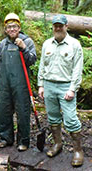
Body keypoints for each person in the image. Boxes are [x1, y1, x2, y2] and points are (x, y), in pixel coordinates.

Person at [38, 14, 84, 166]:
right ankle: (58, 144)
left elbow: (77, 69)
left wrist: (73, 89)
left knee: (71, 120)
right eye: (55, 26)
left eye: (60, 25)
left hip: (66, 86)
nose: (58, 28)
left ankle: (78, 150)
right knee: (53, 118)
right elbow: (42, 66)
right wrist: (41, 85)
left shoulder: (74, 44)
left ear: (66, 27)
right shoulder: (47, 44)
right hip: (49, 85)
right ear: (53, 27)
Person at [0, 13, 37, 151]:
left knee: (23, 112)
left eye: (15, 26)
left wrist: (24, 48)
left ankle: (23, 141)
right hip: (5, 83)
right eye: (9, 27)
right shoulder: (3, 44)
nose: (12, 29)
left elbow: (32, 60)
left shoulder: (27, 41)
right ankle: (6, 138)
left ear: (19, 28)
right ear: (5, 29)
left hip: (21, 84)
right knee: (4, 111)